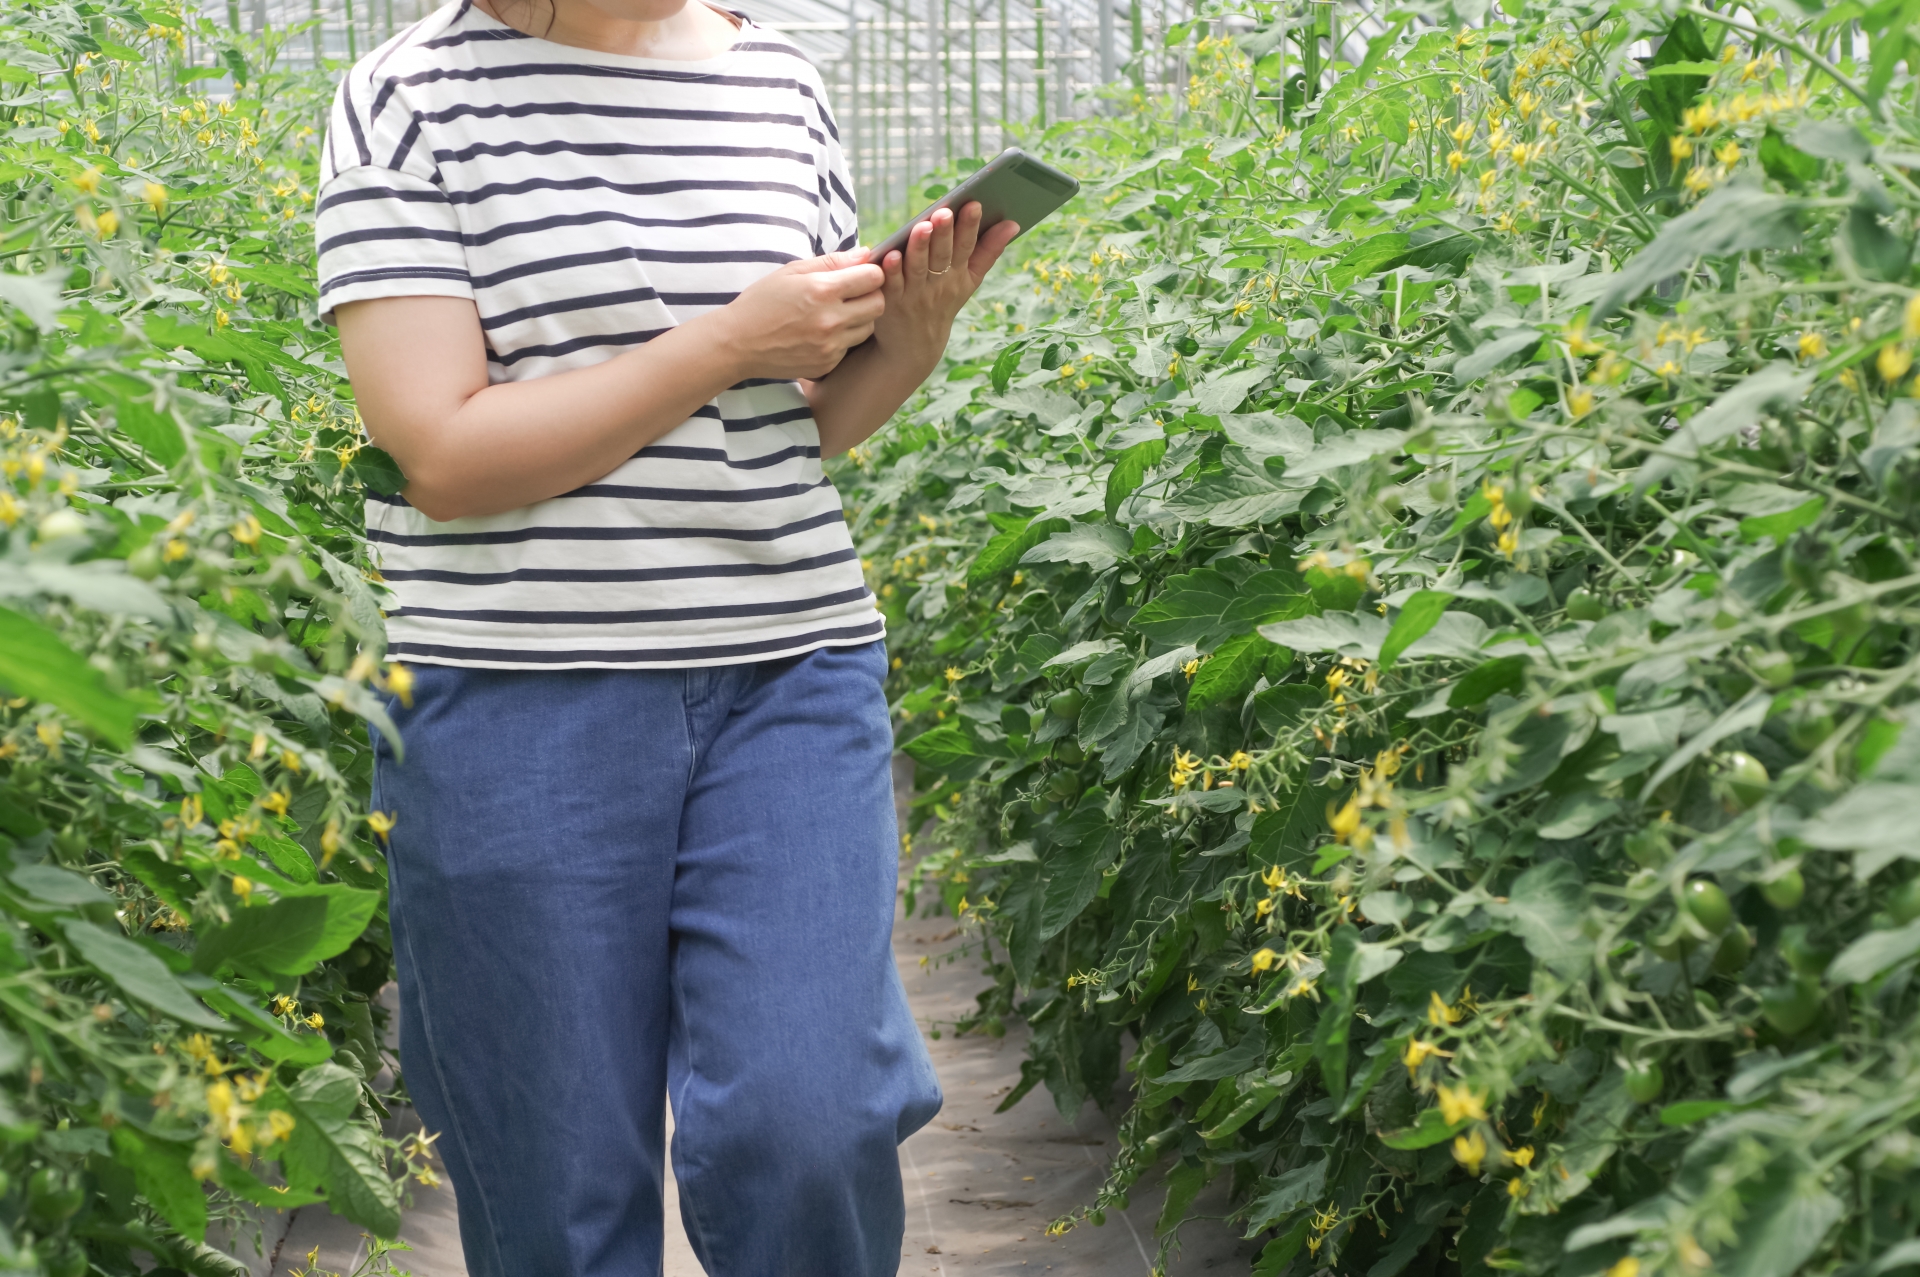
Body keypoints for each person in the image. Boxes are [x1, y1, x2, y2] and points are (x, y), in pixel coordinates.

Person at [314, 0, 1019, 1268]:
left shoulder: (777, 85)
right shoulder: (409, 100)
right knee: (558, 1185)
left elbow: (800, 422)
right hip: (514, 692)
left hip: (789, 671)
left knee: (811, 1123)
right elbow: (444, 456)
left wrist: (911, 329)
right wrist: (723, 342)